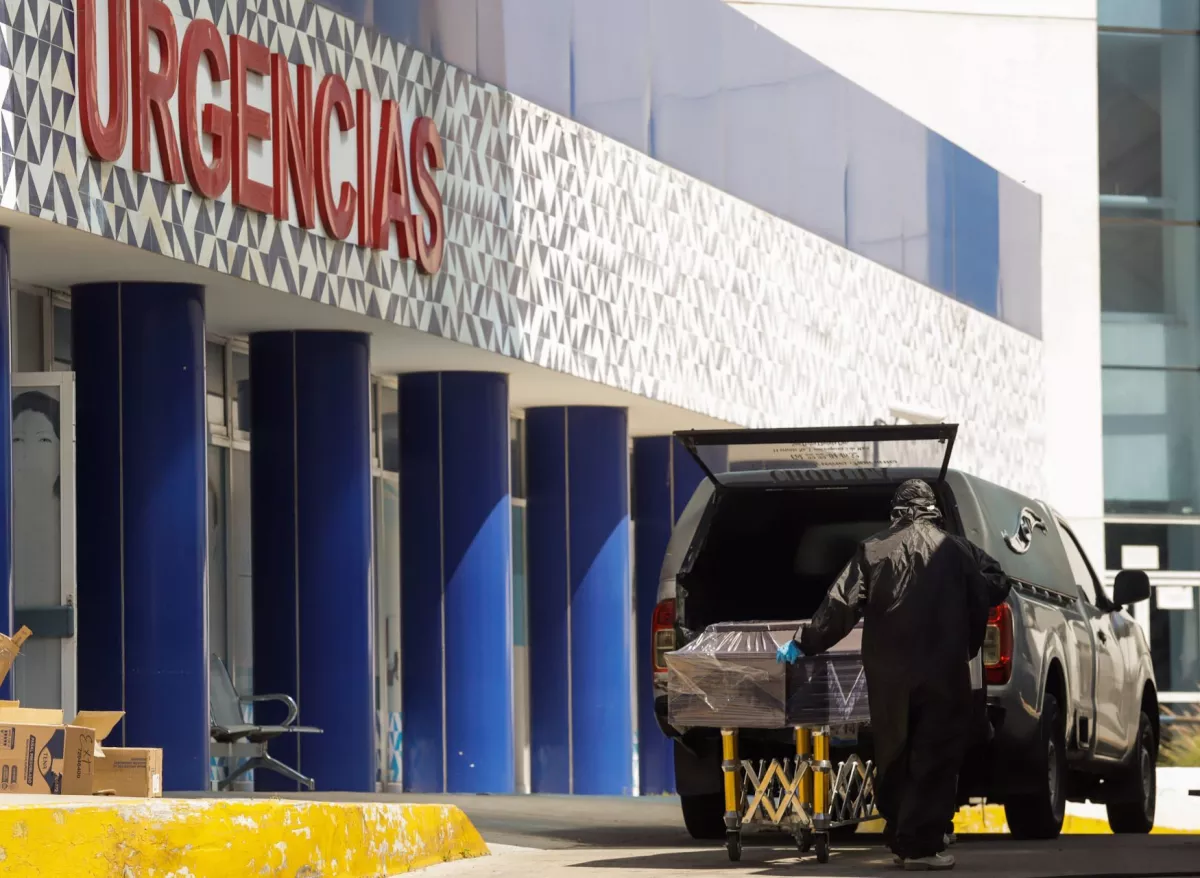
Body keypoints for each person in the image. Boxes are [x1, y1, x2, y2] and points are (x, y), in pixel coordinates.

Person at [776, 479, 1008, 871]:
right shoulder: (958, 551)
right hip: (943, 671)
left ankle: (902, 839)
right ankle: (921, 847)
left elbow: (839, 606)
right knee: (934, 755)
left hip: (889, 674)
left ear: (896, 509)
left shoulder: (872, 549)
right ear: (932, 508)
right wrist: (964, 602)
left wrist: (805, 642)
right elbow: (997, 586)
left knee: (893, 752)